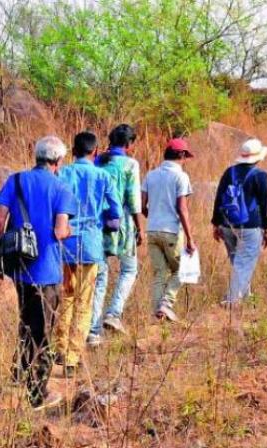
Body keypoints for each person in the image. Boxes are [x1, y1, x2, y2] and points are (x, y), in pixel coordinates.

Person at [0, 136, 76, 410]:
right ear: (58, 161)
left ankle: (19, 371)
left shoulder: (15, 181)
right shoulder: (62, 188)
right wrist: (70, 231)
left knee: (26, 319)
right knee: (42, 331)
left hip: (19, 267)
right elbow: (60, 230)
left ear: (37, 156)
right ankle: (37, 393)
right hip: (47, 271)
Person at [53, 132, 121, 375]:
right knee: (85, 301)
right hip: (91, 245)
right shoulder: (103, 176)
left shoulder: (62, 173)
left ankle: (59, 348)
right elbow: (115, 212)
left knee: (66, 295)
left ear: (73, 150)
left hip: (65, 243)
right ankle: (72, 357)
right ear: (95, 152)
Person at [88, 124, 144, 343]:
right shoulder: (130, 164)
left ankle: (93, 331)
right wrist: (140, 228)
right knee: (129, 269)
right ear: (129, 144)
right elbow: (133, 200)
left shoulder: (98, 161)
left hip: (97, 226)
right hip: (122, 227)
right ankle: (113, 313)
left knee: (100, 277)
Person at [211, 139, 267, 306]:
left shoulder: (229, 172)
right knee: (243, 264)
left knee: (239, 263)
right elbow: (265, 204)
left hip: (227, 225)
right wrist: (266, 228)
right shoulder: (260, 176)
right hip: (250, 227)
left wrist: (216, 224)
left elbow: (218, 199)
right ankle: (232, 300)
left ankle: (245, 296)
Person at [141, 138, 196, 321]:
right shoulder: (181, 176)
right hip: (171, 231)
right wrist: (190, 238)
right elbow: (182, 209)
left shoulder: (151, 175)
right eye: (185, 157)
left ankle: (157, 313)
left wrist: (154, 217)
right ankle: (166, 303)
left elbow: (142, 206)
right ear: (181, 155)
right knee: (183, 270)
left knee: (159, 273)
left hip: (152, 230)